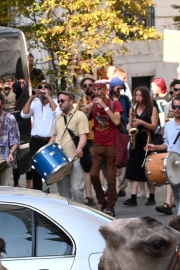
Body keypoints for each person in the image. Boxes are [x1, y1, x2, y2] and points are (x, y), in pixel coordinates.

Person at [87, 80, 124, 216]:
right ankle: (101, 199)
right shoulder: (94, 104)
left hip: (111, 145)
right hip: (97, 144)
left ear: (106, 91)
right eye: (95, 90)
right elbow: (87, 118)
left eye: (99, 90)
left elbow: (116, 121)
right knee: (93, 174)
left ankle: (110, 206)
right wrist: (87, 109)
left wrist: (104, 106)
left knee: (111, 177)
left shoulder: (114, 103)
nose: (96, 92)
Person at [47, 90, 89, 203]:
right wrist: (47, 149)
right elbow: (54, 135)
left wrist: (79, 148)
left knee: (77, 190)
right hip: (60, 161)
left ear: (71, 101)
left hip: (74, 159)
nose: (59, 103)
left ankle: (81, 213)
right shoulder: (58, 117)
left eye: (62, 101)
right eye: (58, 101)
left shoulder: (80, 116)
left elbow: (83, 136)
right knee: (63, 195)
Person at [21, 80, 59, 190]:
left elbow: (58, 113)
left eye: (46, 87)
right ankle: (38, 190)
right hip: (36, 140)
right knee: (35, 167)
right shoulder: (35, 103)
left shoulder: (55, 102)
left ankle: (48, 188)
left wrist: (49, 97)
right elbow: (24, 114)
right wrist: (32, 97)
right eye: (41, 87)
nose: (43, 89)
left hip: (49, 140)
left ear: (50, 90)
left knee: (50, 166)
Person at [125, 86, 159, 206]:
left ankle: (152, 196)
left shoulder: (152, 109)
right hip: (136, 139)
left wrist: (141, 122)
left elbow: (154, 126)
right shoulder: (132, 109)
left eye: (140, 96)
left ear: (145, 97)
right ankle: (133, 196)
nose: (138, 98)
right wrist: (130, 133)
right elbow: (130, 126)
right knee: (133, 168)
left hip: (147, 140)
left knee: (149, 168)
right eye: (136, 95)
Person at [78, 76, 98, 205]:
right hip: (86, 136)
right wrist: (82, 110)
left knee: (99, 169)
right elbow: (76, 117)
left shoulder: (99, 100)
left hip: (99, 137)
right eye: (85, 86)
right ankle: (89, 196)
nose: (88, 87)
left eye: (90, 85)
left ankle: (102, 192)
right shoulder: (81, 101)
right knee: (87, 168)